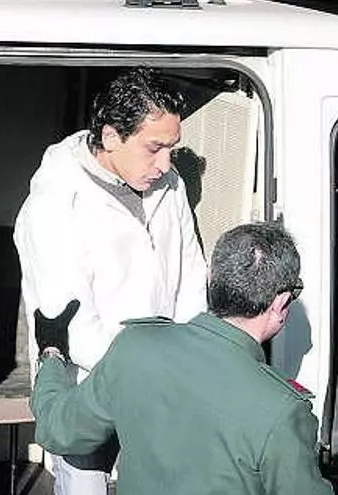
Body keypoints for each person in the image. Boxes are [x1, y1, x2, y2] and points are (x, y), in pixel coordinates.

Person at [30, 222, 334, 495]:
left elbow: (59, 430)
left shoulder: (134, 347)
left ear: (210, 278)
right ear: (281, 303)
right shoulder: (283, 410)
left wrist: (52, 353)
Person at [13, 67, 207, 494]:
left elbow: (192, 281)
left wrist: (183, 368)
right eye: (154, 148)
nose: (166, 164)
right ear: (112, 136)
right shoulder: (56, 201)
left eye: (172, 148)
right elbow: (70, 323)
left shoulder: (170, 186)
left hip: (159, 387)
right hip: (89, 392)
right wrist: (149, 379)